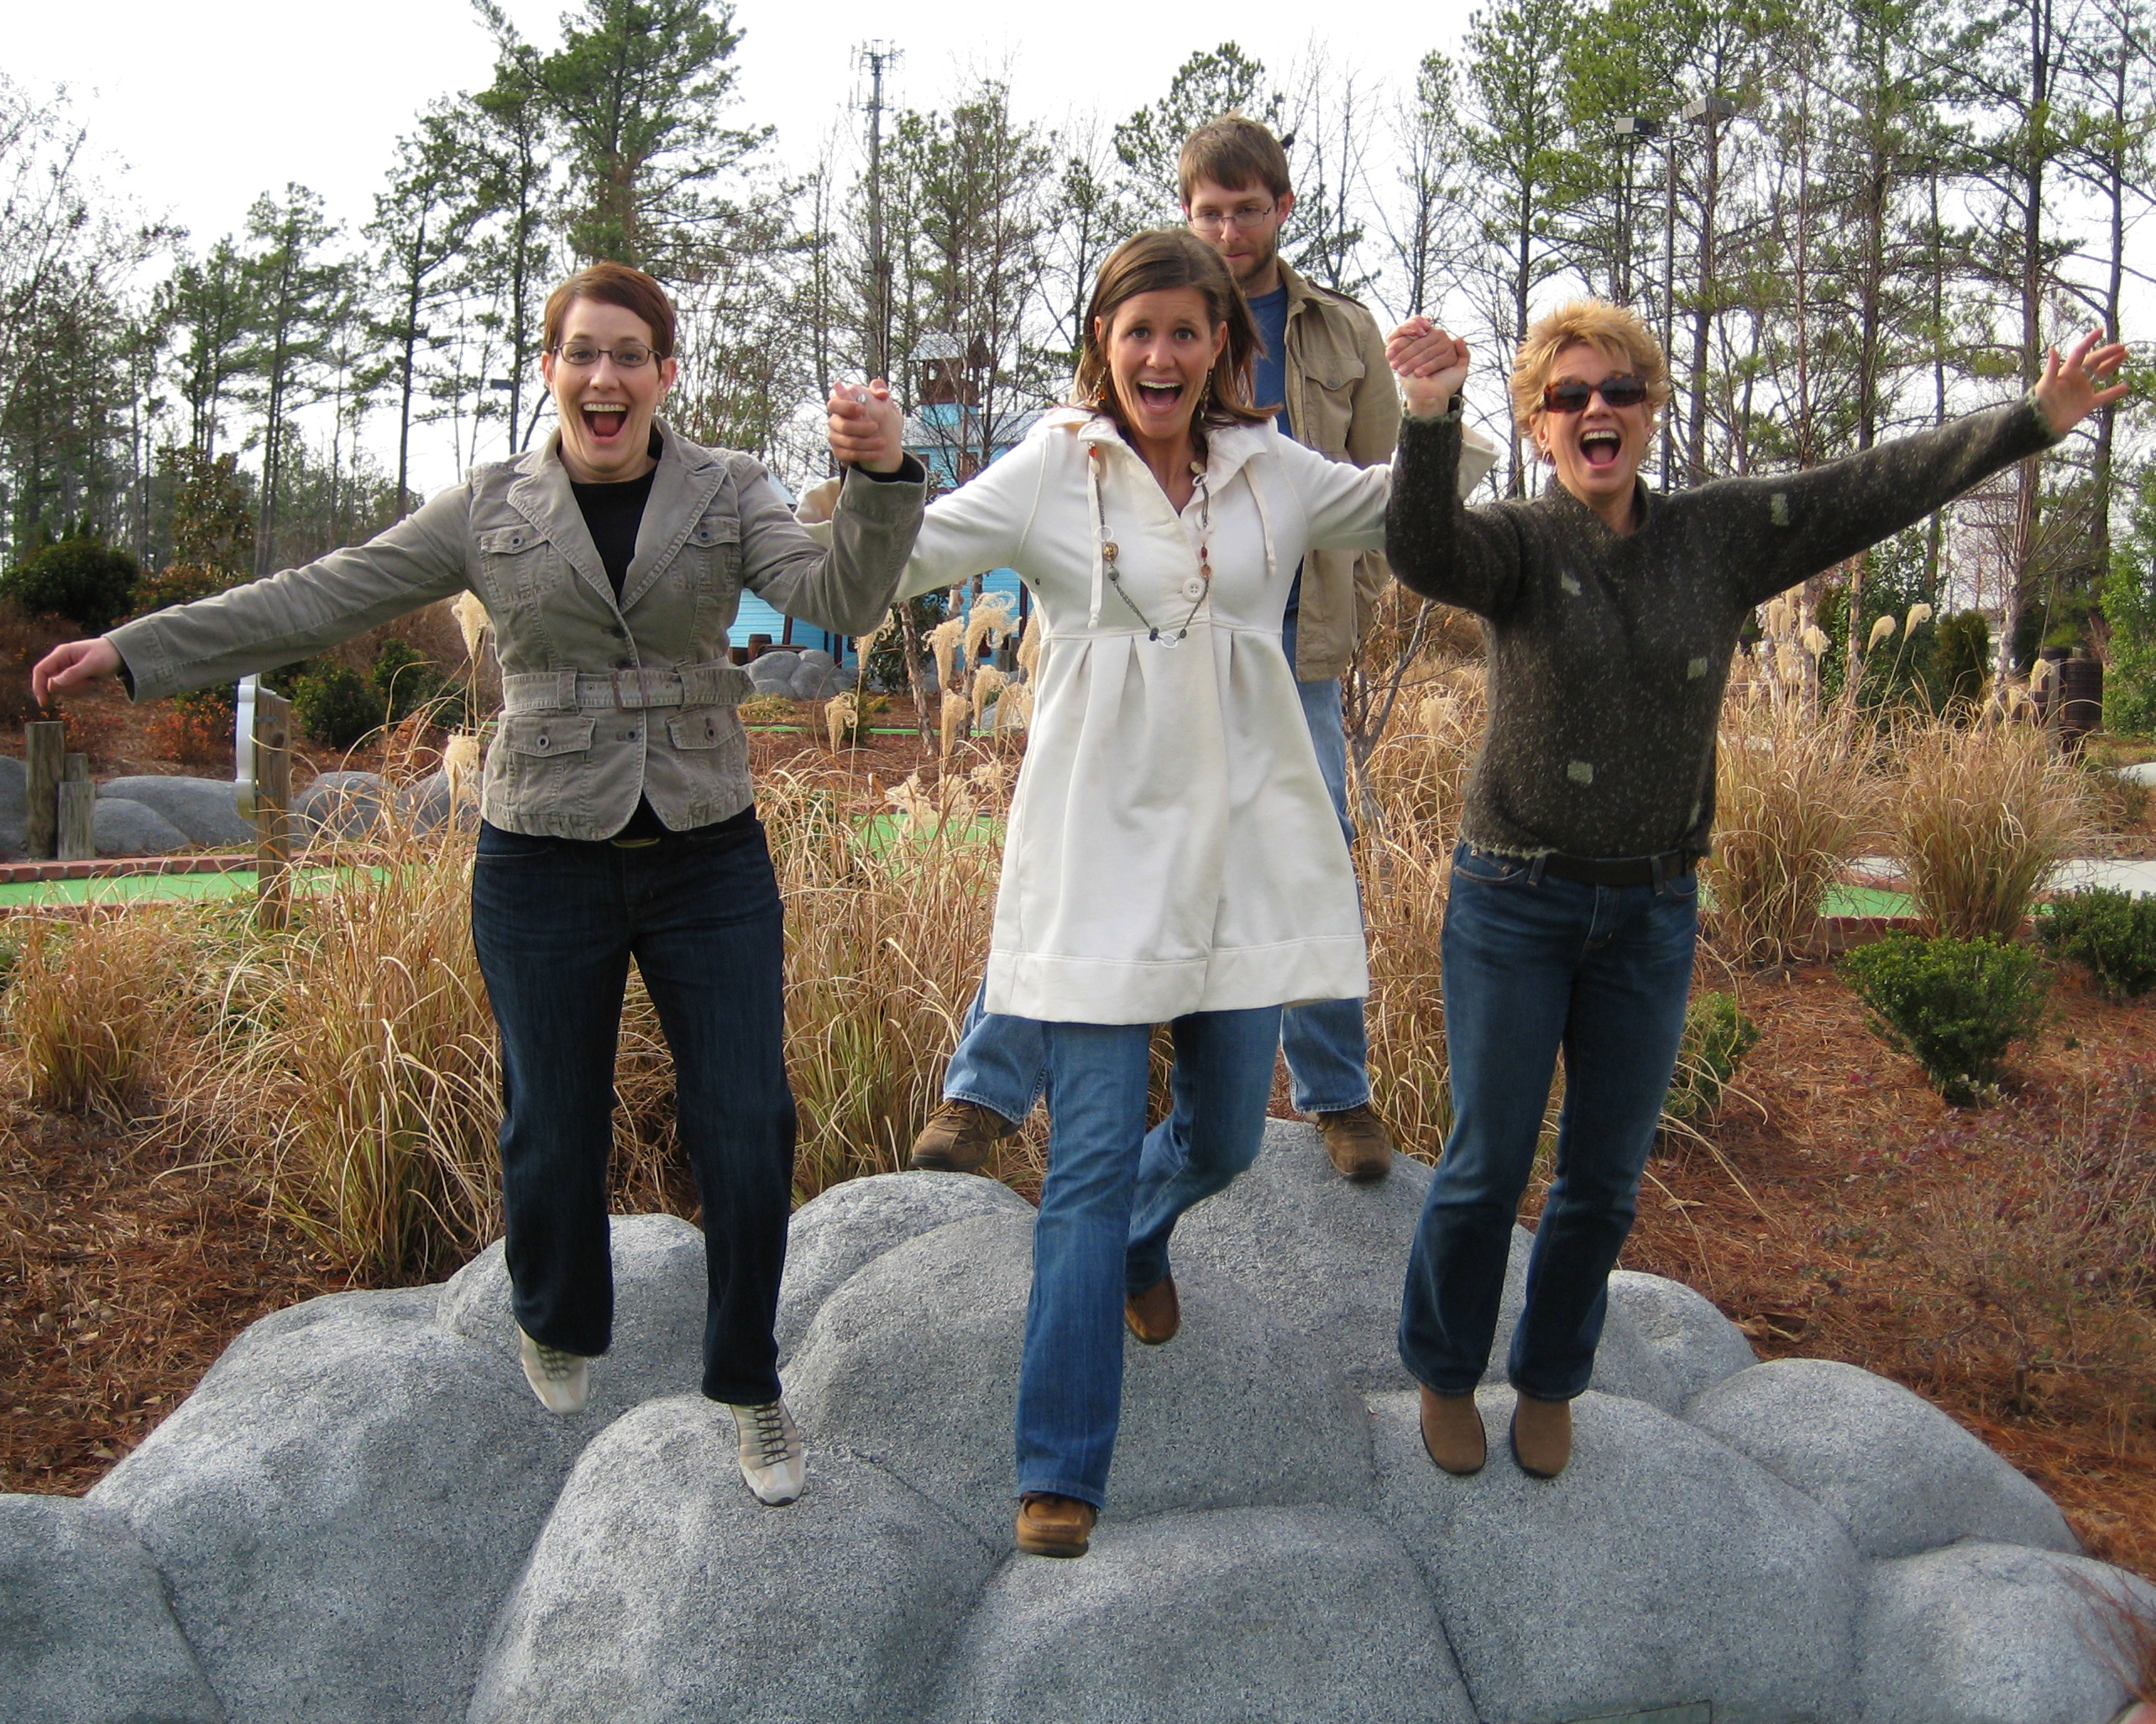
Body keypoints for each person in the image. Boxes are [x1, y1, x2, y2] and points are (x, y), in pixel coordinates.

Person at [30, 262, 928, 1507]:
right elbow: (320, 593)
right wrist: (136, 651)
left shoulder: (729, 488)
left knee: (748, 1121)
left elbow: (839, 592)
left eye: (629, 355)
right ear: (550, 369)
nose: (605, 376)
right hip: (541, 849)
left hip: (704, 847)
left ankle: (746, 1379)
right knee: (552, 1121)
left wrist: (880, 476)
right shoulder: (491, 504)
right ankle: (555, 1310)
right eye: (582, 353)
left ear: (666, 374)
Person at [1382, 299, 2130, 1481]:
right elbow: (1424, 552)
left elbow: (1870, 487)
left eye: (1619, 390)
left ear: (1649, 409)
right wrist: (1429, 416)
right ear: (1536, 423)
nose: (1595, 410)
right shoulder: (1519, 545)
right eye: (1569, 395)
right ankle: (1442, 1365)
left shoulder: (1717, 535)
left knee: (1603, 1180)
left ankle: (1552, 1375)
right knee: (1486, 1164)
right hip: (1514, 900)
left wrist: (2033, 418)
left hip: (1650, 914)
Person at [829, 228, 1428, 1558]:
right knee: (1090, 1161)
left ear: (1222, 346)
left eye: (1185, 331)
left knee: (1222, 1139)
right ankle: (1060, 1469)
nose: (1161, 354)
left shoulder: (1272, 468)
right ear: (1104, 342)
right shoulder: (1059, 466)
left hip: (1239, 854)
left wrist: (1435, 415)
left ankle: (1147, 1241)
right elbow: (903, 559)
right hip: (1098, 853)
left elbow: (1407, 512)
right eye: (1137, 329)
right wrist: (878, 466)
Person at [910, 115, 1496, 1185]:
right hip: (1140, 633)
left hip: (1282, 638)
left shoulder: (1338, 331)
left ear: (1281, 209)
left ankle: (1336, 1092)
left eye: (1248, 208)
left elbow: (1389, 493)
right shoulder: (1151, 302)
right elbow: (1088, 460)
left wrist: (1434, 421)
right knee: (1086, 852)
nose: (1229, 228)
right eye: (1210, 210)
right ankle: (987, 1088)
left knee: (1307, 850)